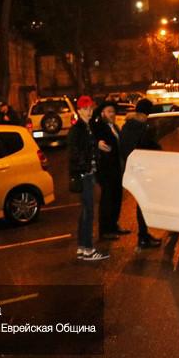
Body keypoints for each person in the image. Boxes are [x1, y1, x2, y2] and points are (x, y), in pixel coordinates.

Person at [68, 95, 109, 261]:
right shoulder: (77, 129)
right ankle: (88, 249)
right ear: (79, 111)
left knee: (86, 211)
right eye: (85, 109)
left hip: (87, 173)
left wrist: (96, 145)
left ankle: (82, 247)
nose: (89, 111)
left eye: (90, 108)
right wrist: (85, 166)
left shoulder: (87, 127)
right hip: (84, 175)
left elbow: (86, 147)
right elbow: (74, 153)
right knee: (89, 212)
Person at [119, 98, 162, 250]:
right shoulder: (143, 128)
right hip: (143, 170)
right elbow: (151, 147)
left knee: (141, 203)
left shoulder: (127, 126)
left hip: (133, 169)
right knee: (143, 204)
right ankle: (143, 237)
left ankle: (143, 236)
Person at [92, 101, 128, 241]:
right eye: (109, 112)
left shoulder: (115, 127)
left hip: (117, 168)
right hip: (106, 169)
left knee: (116, 198)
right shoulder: (99, 126)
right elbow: (91, 137)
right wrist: (97, 144)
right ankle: (105, 230)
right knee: (107, 199)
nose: (112, 114)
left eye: (113, 111)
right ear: (102, 113)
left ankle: (114, 225)